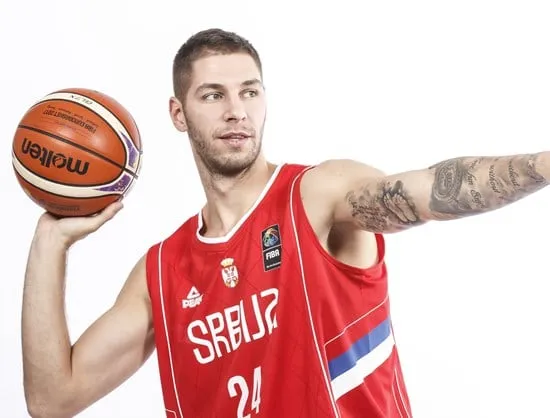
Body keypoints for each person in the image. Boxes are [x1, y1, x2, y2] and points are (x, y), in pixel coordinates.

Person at [21, 27, 549, 418]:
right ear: (178, 114)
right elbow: (52, 399)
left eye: (250, 91)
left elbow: (430, 189)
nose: (236, 111)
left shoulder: (317, 196)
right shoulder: (161, 272)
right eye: (213, 95)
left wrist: (544, 165)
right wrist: (50, 241)